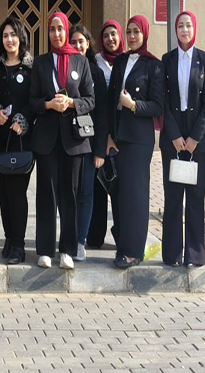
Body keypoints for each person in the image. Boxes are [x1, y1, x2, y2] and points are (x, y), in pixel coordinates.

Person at [30, 13, 95, 270]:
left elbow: (90, 99)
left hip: (74, 141)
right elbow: (32, 101)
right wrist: (49, 104)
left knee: (71, 195)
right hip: (47, 139)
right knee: (46, 194)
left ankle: (67, 249)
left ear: (67, 31)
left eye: (61, 29)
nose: (57, 34)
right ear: (47, 33)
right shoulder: (40, 63)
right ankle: (45, 250)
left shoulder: (81, 62)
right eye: (52, 29)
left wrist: (71, 103)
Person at [107, 15, 164, 269]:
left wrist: (133, 105)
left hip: (139, 139)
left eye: (136, 32)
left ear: (144, 34)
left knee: (135, 195)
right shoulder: (120, 61)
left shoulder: (154, 65)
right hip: (119, 136)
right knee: (120, 195)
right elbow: (111, 100)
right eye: (128, 31)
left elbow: (157, 106)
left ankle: (133, 251)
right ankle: (123, 246)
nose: (131, 36)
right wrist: (108, 135)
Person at [159, 11, 205, 268]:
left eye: (188, 25)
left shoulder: (204, 60)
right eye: (180, 25)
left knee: (195, 200)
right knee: (172, 199)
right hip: (173, 140)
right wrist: (174, 135)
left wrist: (194, 138)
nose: (184, 29)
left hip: (197, 142)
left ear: (194, 29)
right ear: (175, 30)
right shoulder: (167, 60)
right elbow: (162, 100)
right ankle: (171, 255)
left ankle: (194, 255)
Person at [0, 17, 34, 265]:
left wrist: (22, 119)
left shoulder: (30, 68)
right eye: (5, 35)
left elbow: (35, 100)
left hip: (21, 140)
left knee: (17, 192)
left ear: (20, 37)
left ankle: (19, 244)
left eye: (13, 34)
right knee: (3, 190)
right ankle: (8, 237)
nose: (9, 40)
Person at [69, 24, 107, 262]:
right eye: (73, 42)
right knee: (69, 193)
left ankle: (80, 240)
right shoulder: (63, 69)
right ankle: (68, 237)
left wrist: (100, 150)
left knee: (86, 193)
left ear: (88, 44)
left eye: (80, 41)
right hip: (68, 142)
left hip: (90, 144)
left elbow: (102, 114)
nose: (77, 46)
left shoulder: (96, 73)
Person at [86, 20, 124, 249]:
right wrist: (105, 134)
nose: (110, 39)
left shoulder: (125, 61)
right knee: (99, 186)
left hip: (122, 134)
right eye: (106, 35)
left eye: (114, 34)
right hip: (100, 133)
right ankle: (95, 235)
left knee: (119, 189)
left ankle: (121, 235)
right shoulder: (96, 63)